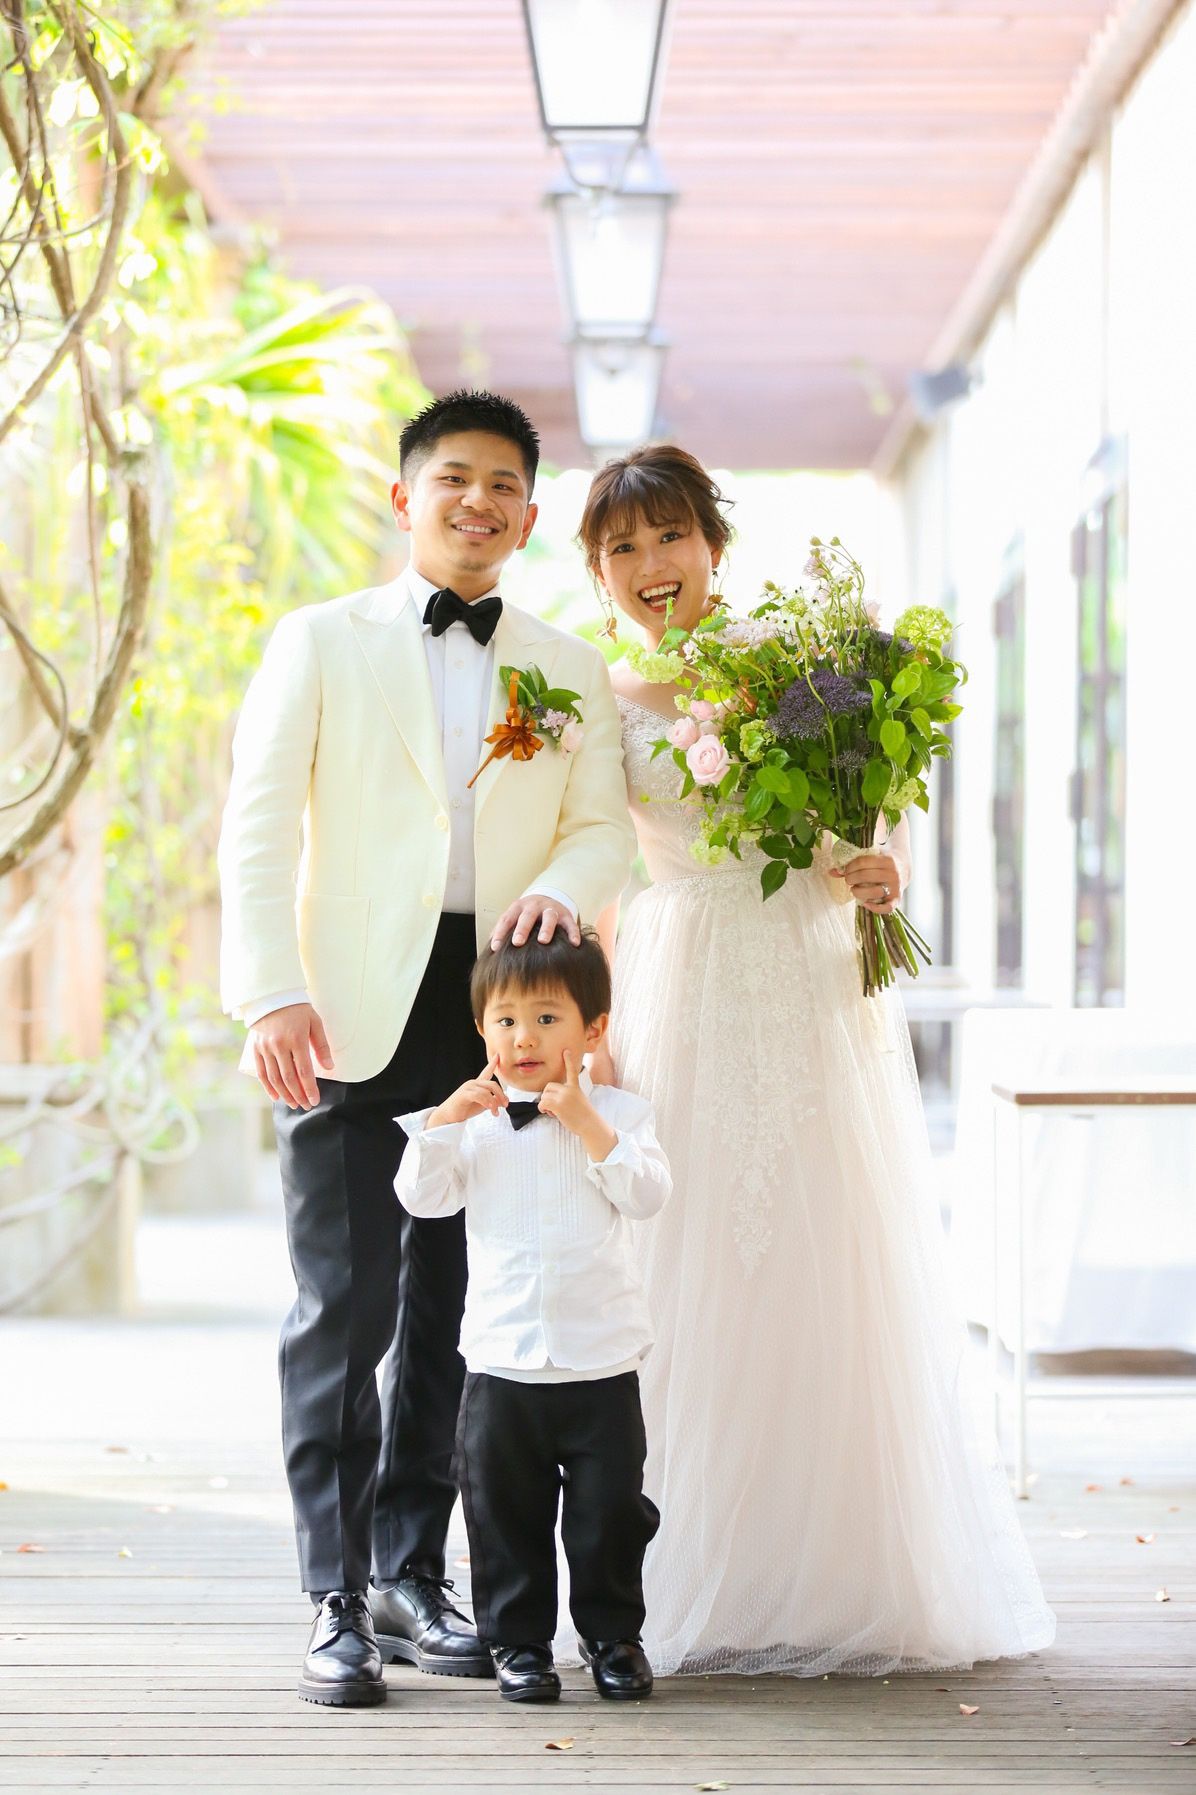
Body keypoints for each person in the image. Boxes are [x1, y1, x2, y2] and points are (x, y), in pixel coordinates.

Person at [578, 443, 1056, 1676]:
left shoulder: (801, 668)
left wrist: (874, 863)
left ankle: (841, 1566)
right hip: (677, 978)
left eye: (668, 536)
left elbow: (857, 825)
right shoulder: (594, 692)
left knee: (821, 1239)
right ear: (598, 572)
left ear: (712, 545)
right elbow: (584, 851)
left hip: (803, 968)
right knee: (684, 1251)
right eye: (621, 548)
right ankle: (681, 1567)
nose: (649, 564)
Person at [217, 390, 635, 1706]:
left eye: (504, 484)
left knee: (458, 1313)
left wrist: (561, 885)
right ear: (406, 498)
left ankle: (410, 1571)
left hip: (499, 1020)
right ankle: (335, 1592)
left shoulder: (565, 665)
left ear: (529, 513)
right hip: (346, 1015)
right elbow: (256, 823)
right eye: (454, 478)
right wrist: (270, 994)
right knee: (344, 1310)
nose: (479, 502)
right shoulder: (318, 639)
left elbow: (604, 827)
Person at [395, 930, 670, 1705]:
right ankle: (517, 1644)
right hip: (501, 1361)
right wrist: (443, 1121)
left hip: (600, 1360)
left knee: (610, 1513)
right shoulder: (473, 1122)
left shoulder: (622, 1115)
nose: (524, 1038)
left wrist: (590, 1126)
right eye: (506, 1019)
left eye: (547, 1019)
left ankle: (613, 1637)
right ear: (482, 1029)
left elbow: (647, 1195)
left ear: (593, 1029)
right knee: (503, 1514)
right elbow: (422, 1197)